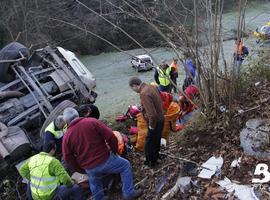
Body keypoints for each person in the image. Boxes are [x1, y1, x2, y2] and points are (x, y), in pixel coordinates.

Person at [62, 108, 142, 200]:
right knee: (125, 165)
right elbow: (111, 136)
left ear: (66, 121)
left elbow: (67, 157)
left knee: (95, 182)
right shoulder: (92, 122)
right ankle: (128, 193)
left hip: (88, 167)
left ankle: (100, 198)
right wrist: (115, 151)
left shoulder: (67, 136)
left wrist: (80, 169)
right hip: (104, 160)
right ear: (77, 115)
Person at [19, 141, 85, 200]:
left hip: (36, 196)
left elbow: (22, 170)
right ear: (52, 150)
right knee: (75, 188)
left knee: (30, 183)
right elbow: (65, 179)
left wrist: (32, 179)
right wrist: (72, 183)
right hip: (49, 195)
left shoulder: (33, 158)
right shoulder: (53, 161)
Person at [129, 77, 164, 168]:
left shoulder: (143, 93)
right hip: (161, 118)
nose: (133, 91)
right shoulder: (151, 87)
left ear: (135, 86)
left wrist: (151, 126)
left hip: (155, 121)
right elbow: (156, 102)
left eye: (132, 89)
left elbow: (152, 114)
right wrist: (143, 108)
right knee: (156, 140)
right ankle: (156, 157)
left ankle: (151, 163)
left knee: (149, 143)